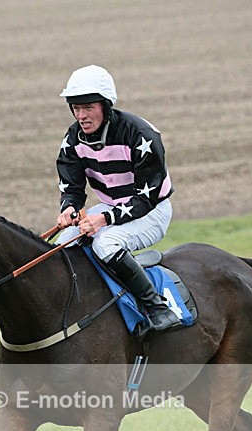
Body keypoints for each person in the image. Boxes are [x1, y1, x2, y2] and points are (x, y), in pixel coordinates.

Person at [55, 64, 180, 332]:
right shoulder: (72, 139)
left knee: (105, 244)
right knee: (62, 245)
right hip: (111, 206)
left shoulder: (140, 135)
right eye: (76, 108)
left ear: (105, 105)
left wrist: (104, 218)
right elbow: (73, 188)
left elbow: (146, 199)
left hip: (151, 210)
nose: (81, 115)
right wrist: (70, 208)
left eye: (88, 107)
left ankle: (157, 307)